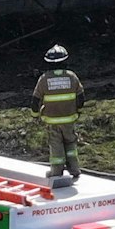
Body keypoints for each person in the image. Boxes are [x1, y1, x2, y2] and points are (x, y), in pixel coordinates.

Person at [31, 45, 85, 179]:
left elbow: (35, 100)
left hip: (52, 121)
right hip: (69, 120)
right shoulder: (72, 77)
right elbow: (81, 97)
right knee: (71, 144)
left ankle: (56, 171)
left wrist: (35, 115)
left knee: (56, 147)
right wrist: (78, 111)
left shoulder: (44, 79)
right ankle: (74, 169)